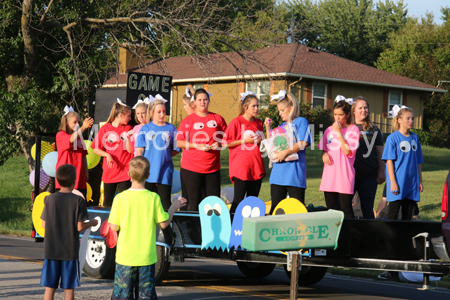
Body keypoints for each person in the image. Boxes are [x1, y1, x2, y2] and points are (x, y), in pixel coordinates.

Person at [108, 156, 187, 300]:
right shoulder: (154, 198)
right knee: (146, 295)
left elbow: (114, 226)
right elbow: (164, 223)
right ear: (148, 176)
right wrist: (173, 207)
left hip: (125, 257)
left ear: (129, 174)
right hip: (146, 257)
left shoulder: (119, 198)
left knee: (122, 296)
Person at [40, 164, 98, 300]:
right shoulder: (78, 200)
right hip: (69, 252)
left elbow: (44, 224)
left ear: (57, 181)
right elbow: (79, 227)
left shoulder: (50, 199)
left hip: (51, 250)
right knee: (68, 287)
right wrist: (93, 223)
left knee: (50, 287)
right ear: (74, 181)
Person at [176, 88, 227, 211]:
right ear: (194, 102)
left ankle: (210, 229)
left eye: (205, 99)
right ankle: (192, 229)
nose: (202, 102)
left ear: (209, 101)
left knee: (213, 203)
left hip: (213, 168)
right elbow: (179, 142)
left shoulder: (218, 119)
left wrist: (218, 143)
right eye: (199, 100)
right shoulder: (187, 121)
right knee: (193, 201)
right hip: (191, 167)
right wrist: (197, 146)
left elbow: (227, 138)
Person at [264, 90, 311, 214]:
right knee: (276, 210)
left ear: (291, 108)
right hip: (278, 175)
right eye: (279, 111)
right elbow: (271, 146)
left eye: (282, 110)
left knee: (297, 210)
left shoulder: (301, 122)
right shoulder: (281, 126)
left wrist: (285, 152)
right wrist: (268, 129)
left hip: (294, 175)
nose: (280, 113)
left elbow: (303, 143)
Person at [136, 95, 181, 210]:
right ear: (151, 112)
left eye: (164, 111)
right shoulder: (145, 128)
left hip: (165, 171)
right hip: (147, 171)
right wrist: (139, 165)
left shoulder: (171, 128)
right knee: (147, 202)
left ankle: (167, 227)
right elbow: (140, 149)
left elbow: (176, 149)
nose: (162, 114)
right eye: (159, 112)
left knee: (164, 202)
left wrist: (163, 157)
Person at [318, 95, 360, 219]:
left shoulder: (354, 130)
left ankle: (350, 236)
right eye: (335, 114)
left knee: (346, 210)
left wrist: (338, 132)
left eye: (340, 115)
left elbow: (348, 152)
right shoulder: (328, 130)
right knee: (331, 211)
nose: (337, 118)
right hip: (330, 176)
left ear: (347, 115)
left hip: (344, 176)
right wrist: (324, 154)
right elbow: (324, 150)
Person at [225, 91, 265, 214]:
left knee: (253, 202)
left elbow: (262, 142)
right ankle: (232, 228)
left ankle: (249, 229)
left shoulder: (258, 122)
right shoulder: (236, 122)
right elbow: (226, 143)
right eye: (254, 106)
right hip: (242, 168)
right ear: (245, 107)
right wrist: (244, 141)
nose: (257, 108)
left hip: (256, 166)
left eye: (258, 105)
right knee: (238, 200)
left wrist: (260, 140)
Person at [382, 105, 423, 220]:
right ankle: (389, 238)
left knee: (407, 216)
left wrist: (420, 180)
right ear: (399, 120)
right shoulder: (392, 138)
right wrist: (393, 182)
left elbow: (418, 161)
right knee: (393, 215)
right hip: (398, 182)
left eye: (413, 118)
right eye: (408, 118)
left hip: (412, 183)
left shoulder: (415, 138)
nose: (411, 121)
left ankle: (404, 238)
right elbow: (389, 162)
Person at [91, 99, 134, 206]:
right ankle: (108, 223)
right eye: (128, 116)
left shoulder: (129, 128)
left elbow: (131, 150)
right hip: (110, 172)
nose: (130, 118)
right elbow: (95, 148)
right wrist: (107, 154)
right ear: (120, 115)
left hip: (125, 172)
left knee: (125, 203)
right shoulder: (105, 129)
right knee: (107, 203)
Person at [352, 96, 385, 219]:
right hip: (350, 175)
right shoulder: (347, 128)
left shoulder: (374, 130)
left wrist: (382, 171)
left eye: (365, 107)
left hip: (369, 175)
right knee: (346, 208)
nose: (363, 110)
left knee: (367, 209)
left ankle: (369, 236)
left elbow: (380, 153)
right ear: (353, 110)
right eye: (360, 108)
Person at [56, 106, 94, 198]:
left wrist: (86, 172)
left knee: (80, 205)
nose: (77, 124)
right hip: (66, 177)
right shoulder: (60, 135)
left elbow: (83, 156)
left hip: (79, 177)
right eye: (74, 122)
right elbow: (71, 139)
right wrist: (84, 127)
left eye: (78, 122)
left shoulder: (79, 137)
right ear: (66, 123)